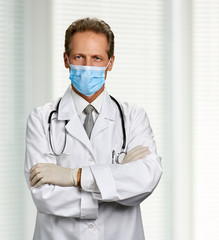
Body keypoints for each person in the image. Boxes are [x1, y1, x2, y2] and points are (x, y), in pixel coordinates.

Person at [24, 17, 162, 240]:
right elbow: (45, 195)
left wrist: (73, 176)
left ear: (110, 62)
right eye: (79, 57)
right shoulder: (41, 119)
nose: (88, 66)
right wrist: (115, 179)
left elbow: (146, 179)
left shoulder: (133, 117)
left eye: (97, 58)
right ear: (66, 59)